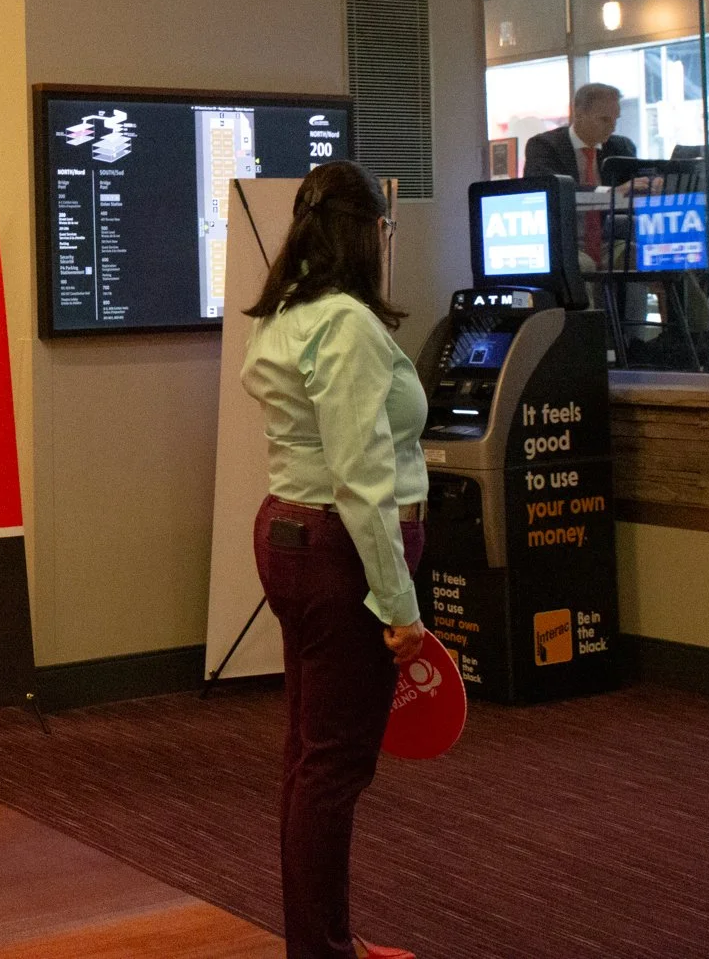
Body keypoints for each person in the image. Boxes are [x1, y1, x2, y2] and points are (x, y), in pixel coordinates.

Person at [240, 162, 426, 959]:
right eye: (385, 229)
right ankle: (321, 949)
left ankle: (324, 937)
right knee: (333, 767)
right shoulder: (346, 323)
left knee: (309, 757)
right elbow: (361, 478)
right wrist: (401, 604)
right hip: (340, 552)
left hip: (290, 536)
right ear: (366, 232)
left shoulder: (281, 314)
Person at [522, 82, 636, 186]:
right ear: (579, 114)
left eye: (615, 119)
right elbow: (550, 189)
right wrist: (609, 193)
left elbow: (633, 187)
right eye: (604, 120)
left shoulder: (622, 147)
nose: (613, 128)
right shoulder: (544, 146)